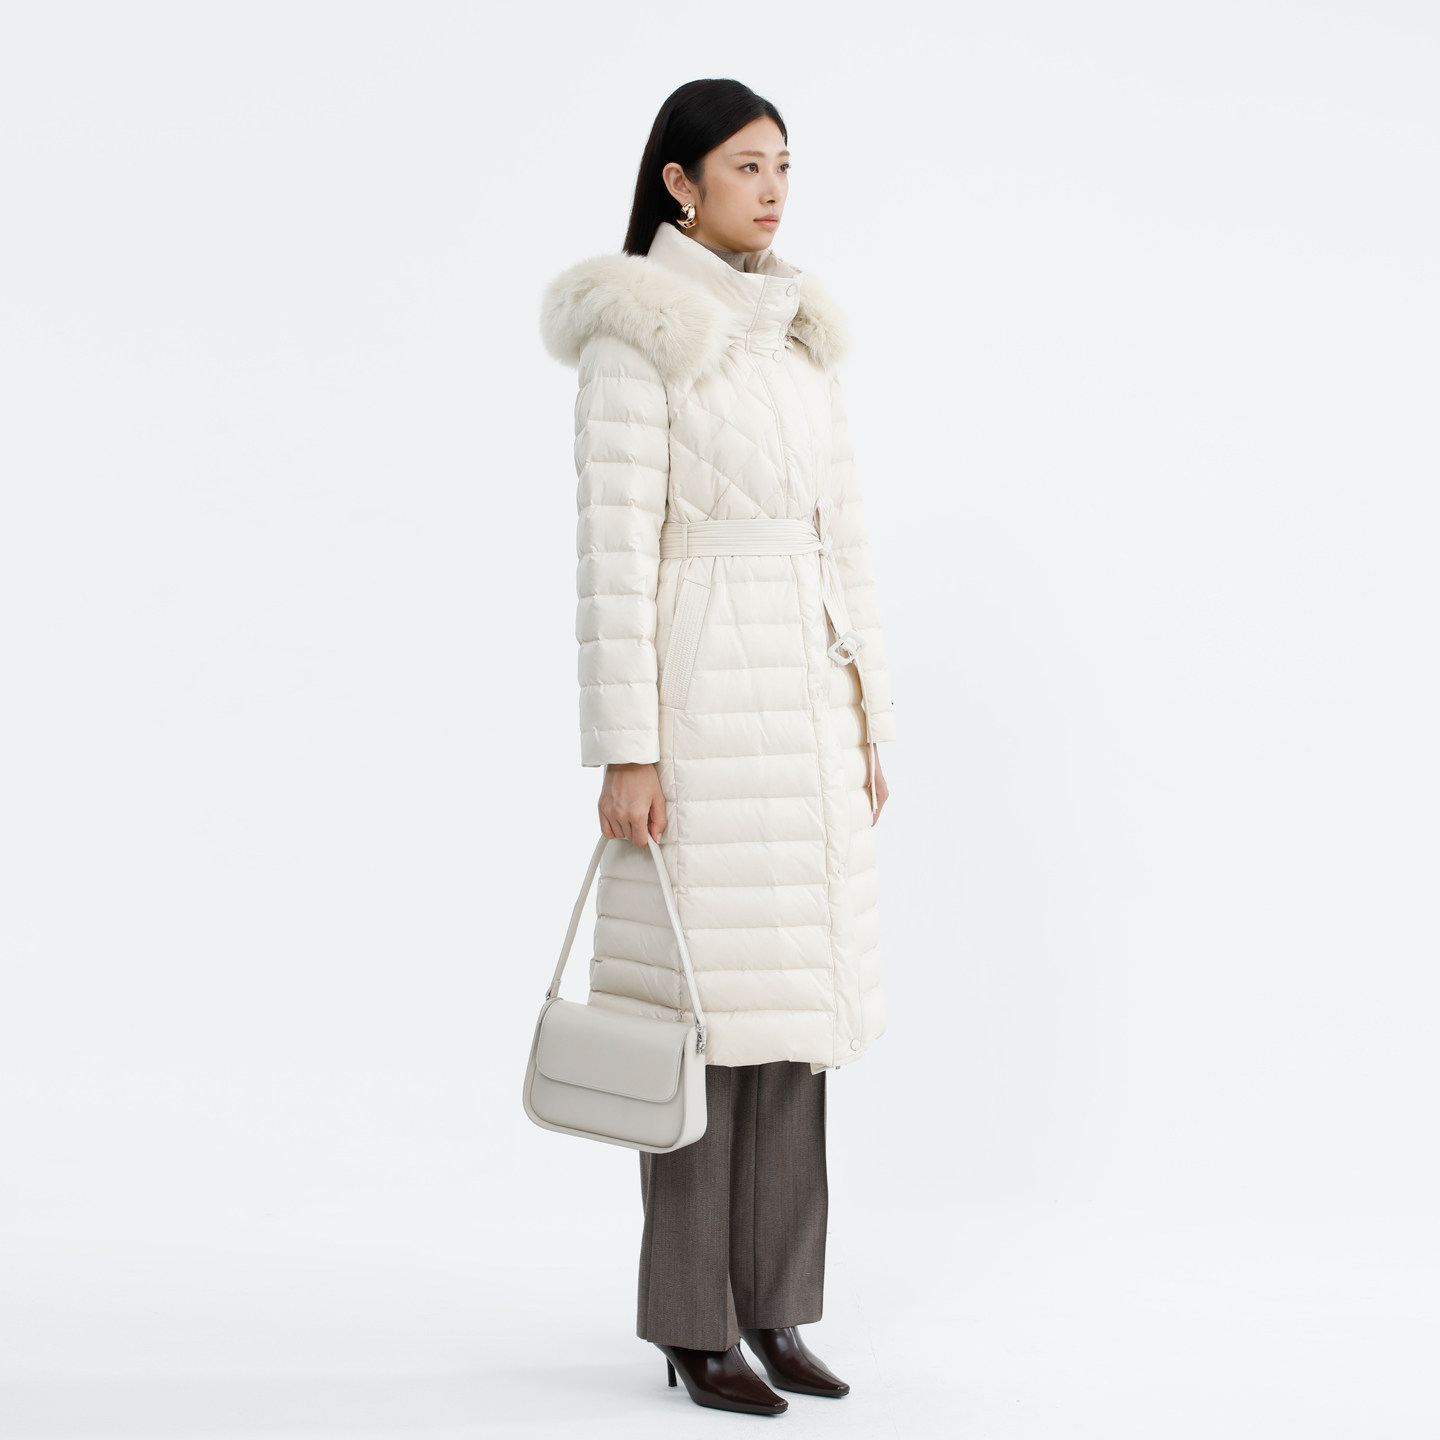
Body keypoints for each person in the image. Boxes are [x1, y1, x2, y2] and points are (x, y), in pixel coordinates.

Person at [538, 77, 899, 1416]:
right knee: (699, 1026)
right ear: (679, 184)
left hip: (802, 707)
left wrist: (869, 714)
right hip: (697, 707)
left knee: (795, 1023)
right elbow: (612, 554)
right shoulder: (638, 335)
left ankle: (776, 1308)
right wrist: (627, 749)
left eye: (785, 165)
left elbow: (845, 538)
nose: (773, 189)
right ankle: (695, 1324)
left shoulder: (799, 335)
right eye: (747, 166)